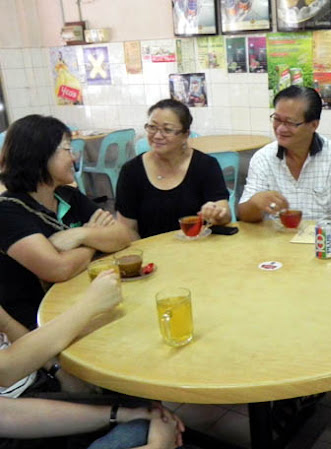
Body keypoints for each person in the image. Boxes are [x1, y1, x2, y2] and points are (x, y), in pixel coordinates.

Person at [0, 270, 186, 449]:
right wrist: (157, 445)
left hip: (30, 396)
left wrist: (120, 413)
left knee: (142, 404)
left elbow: (6, 414)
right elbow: (6, 372)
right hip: (21, 417)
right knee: (143, 422)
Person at [0, 115, 131, 329]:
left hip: (79, 303)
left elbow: (123, 236)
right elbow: (58, 269)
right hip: (40, 325)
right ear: (39, 155)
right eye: (68, 149)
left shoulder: (67, 195)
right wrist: (94, 242)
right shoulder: (8, 211)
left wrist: (81, 234)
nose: (74, 157)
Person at [238, 86, 331, 223]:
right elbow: (245, 216)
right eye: (277, 119)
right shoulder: (263, 157)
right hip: (275, 235)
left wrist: (327, 236)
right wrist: (256, 202)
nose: (281, 128)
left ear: (313, 125)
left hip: (322, 233)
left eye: (290, 122)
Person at [116, 99, 230, 239]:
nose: (157, 136)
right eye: (152, 127)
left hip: (198, 246)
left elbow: (224, 215)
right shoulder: (131, 171)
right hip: (151, 250)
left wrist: (216, 213)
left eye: (167, 130)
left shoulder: (206, 166)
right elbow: (126, 230)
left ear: (185, 135)